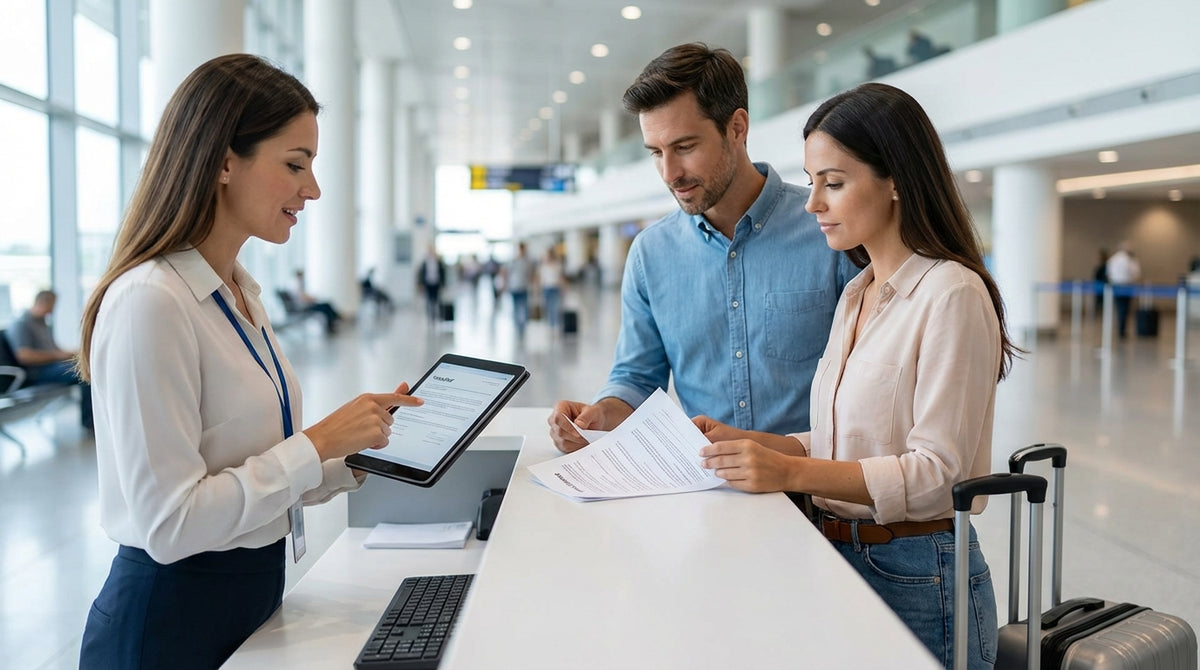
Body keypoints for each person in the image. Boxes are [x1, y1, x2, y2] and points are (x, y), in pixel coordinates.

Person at [74, 54, 422, 669]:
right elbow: (171, 523)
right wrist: (315, 445)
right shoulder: (151, 301)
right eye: (295, 165)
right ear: (223, 160)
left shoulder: (238, 292)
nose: (311, 190)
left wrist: (356, 461)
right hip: (167, 623)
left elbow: (247, 475)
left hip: (249, 600)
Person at [693, 82, 1020, 670]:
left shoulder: (951, 294)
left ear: (895, 179)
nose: (813, 202)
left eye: (833, 183)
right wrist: (756, 445)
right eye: (812, 180)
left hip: (920, 577)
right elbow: (857, 440)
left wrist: (789, 472)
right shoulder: (856, 292)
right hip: (837, 555)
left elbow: (938, 475)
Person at [547, 43, 858, 456]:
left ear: (737, 128)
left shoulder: (828, 231)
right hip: (710, 491)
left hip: (818, 494)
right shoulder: (650, 254)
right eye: (656, 153)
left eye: (685, 147)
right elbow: (637, 377)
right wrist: (601, 416)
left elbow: (870, 390)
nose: (670, 173)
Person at [6, 289, 93, 429]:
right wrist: (59, 356)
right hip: (37, 372)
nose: (52, 311)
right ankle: (90, 423)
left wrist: (76, 353)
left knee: (87, 364)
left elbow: (55, 349)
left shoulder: (41, 323)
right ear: (42, 302)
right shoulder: (21, 323)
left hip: (52, 366)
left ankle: (92, 420)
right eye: (51, 306)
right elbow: (24, 356)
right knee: (84, 372)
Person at [1106, 241, 1141, 339]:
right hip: (1127, 285)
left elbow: (1108, 274)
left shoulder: (1113, 259)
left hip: (1116, 285)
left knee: (1119, 307)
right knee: (1124, 308)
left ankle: (1120, 327)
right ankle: (1122, 329)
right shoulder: (1130, 260)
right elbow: (1136, 273)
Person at [292, 268, 342, 333]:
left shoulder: (297, 285)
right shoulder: (297, 285)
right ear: (299, 276)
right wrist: (312, 299)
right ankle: (335, 318)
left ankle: (334, 319)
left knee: (327, 305)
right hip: (306, 307)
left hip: (306, 305)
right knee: (326, 306)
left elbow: (303, 296)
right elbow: (303, 298)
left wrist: (311, 298)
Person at [505, 242, 535, 335]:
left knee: (524, 307)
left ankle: (523, 326)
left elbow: (531, 274)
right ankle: (517, 326)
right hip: (514, 287)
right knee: (516, 307)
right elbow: (507, 273)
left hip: (524, 287)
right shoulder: (514, 261)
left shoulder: (528, 261)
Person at [416, 245, 447, 323]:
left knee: (437, 300)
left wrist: (443, 284)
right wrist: (420, 284)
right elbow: (422, 273)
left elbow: (442, 273)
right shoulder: (425, 262)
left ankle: (437, 315)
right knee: (428, 300)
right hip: (428, 283)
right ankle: (430, 316)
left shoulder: (438, 261)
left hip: (436, 283)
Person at [538, 246, 566, 329]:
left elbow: (561, 278)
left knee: (555, 308)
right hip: (546, 289)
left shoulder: (557, 265)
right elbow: (541, 279)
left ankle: (555, 325)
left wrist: (563, 288)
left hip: (555, 288)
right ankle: (550, 325)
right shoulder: (543, 266)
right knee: (548, 308)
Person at [1092, 247, 1109, 314]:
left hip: (1103, 286)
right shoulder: (1101, 266)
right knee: (1100, 303)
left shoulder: (1105, 266)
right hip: (1099, 286)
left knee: (1103, 302)